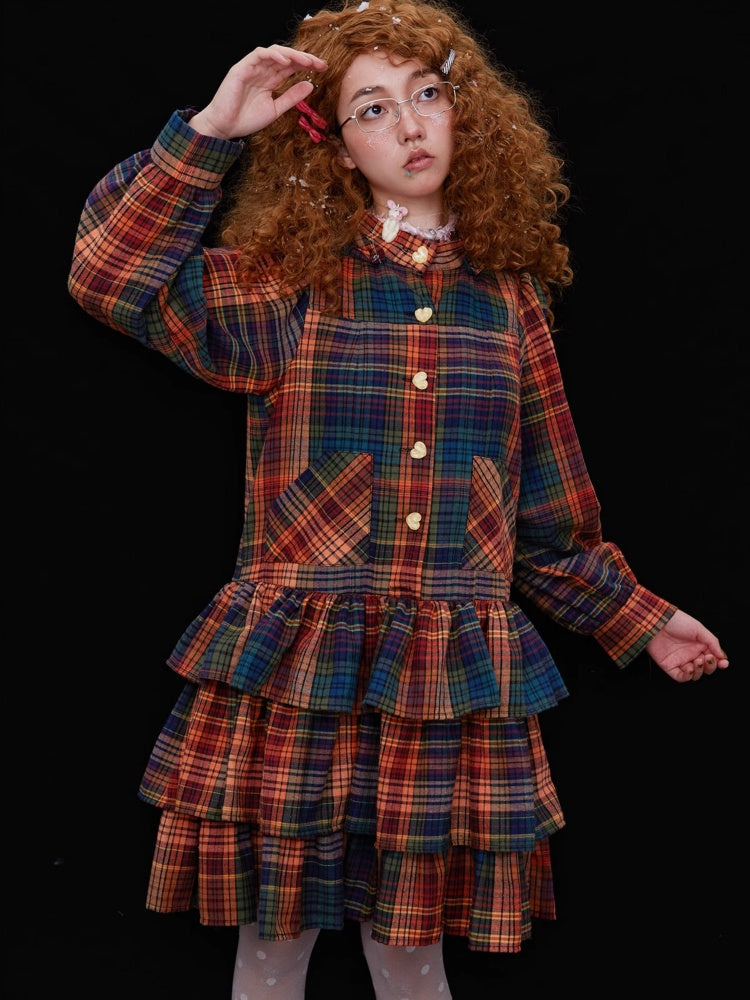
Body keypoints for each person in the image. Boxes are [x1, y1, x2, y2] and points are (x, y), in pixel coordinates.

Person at [67, 1, 729, 996]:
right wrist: (210, 130)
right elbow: (111, 276)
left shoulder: (508, 303)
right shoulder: (291, 286)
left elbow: (548, 519)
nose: (411, 124)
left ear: (467, 112)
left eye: (427, 95)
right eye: (373, 108)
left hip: (445, 680)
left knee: (413, 947)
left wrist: (639, 618)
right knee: (274, 938)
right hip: (300, 668)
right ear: (334, 143)